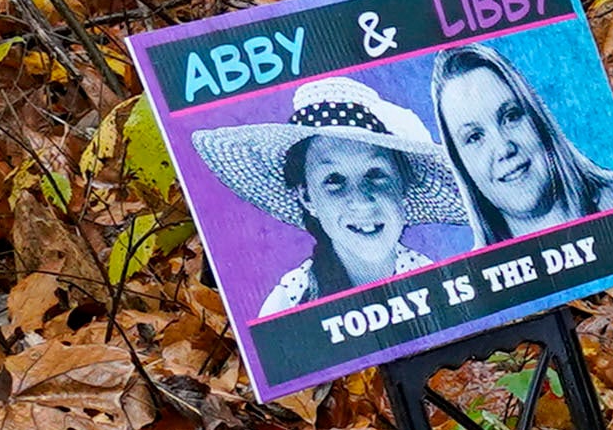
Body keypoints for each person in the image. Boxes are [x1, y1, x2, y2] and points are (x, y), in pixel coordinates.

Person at [192, 77, 470, 319]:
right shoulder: (291, 301)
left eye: (375, 174)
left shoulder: (437, 284)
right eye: (334, 180)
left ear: (404, 186)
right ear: (307, 197)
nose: (361, 201)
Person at [433, 43, 613, 248]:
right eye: (475, 137)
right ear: (461, 164)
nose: (504, 149)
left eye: (511, 117)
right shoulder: (477, 276)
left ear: (538, 118)